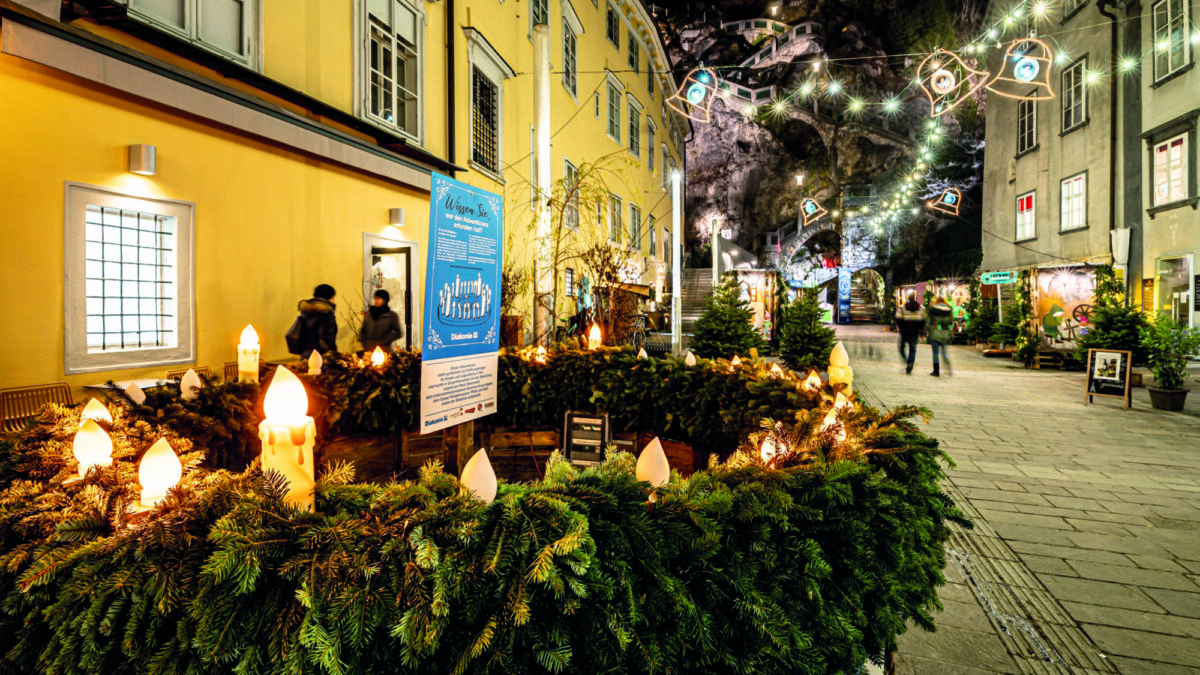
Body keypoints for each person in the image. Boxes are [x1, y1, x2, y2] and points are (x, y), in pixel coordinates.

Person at [298, 284, 338, 358]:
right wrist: (332, 354)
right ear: (328, 297)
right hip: (320, 355)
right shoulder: (326, 312)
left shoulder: (306, 310)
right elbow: (327, 337)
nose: (334, 299)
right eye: (333, 297)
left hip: (306, 352)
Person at [895, 293, 926, 375]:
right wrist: (921, 330)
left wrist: (902, 327)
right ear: (915, 299)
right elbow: (923, 320)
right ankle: (910, 362)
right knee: (912, 350)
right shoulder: (921, 308)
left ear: (908, 298)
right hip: (915, 332)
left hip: (904, 332)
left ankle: (906, 361)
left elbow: (898, 318)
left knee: (901, 348)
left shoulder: (902, 308)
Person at [927, 294, 954, 377]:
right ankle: (948, 369)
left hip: (935, 333)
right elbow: (950, 321)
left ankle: (936, 371)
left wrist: (926, 330)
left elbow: (929, 321)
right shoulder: (949, 309)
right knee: (944, 353)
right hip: (944, 333)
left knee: (935, 353)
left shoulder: (932, 309)